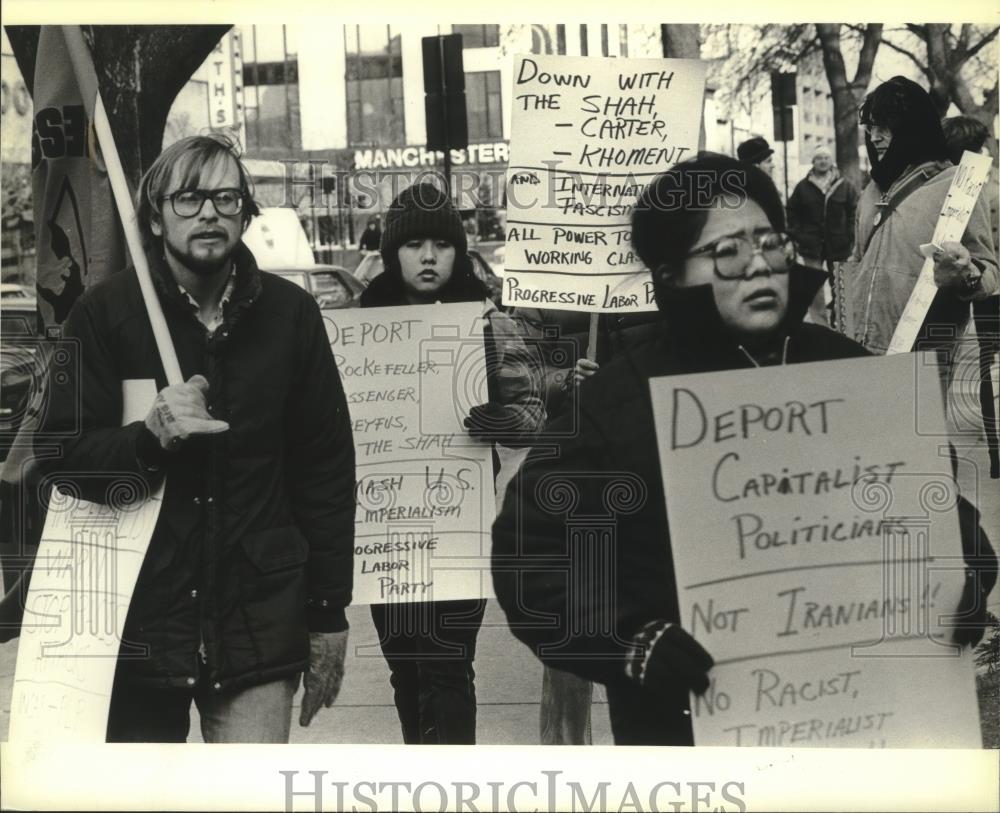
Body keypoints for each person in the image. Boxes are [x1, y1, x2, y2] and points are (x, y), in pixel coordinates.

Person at [492, 153, 997, 745]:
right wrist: (630, 643)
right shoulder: (614, 406)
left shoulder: (851, 376)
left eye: (769, 241)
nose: (758, 263)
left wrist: (962, 578)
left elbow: (948, 519)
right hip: (689, 749)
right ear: (671, 274)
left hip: (863, 738)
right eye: (726, 251)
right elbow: (531, 562)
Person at [37, 134, 356, 743]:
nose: (209, 212)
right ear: (155, 218)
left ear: (245, 213)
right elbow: (59, 454)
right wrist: (147, 440)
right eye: (187, 198)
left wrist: (327, 615)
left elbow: (326, 474)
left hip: (257, 626)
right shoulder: (105, 315)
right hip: (138, 627)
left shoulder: (291, 316)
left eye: (226, 197)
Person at [360, 182, 545, 744]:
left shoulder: (488, 323)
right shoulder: (357, 328)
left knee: (446, 665)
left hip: (458, 527)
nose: (428, 256)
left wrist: (505, 423)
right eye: (414, 243)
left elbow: (533, 406)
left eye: (442, 243)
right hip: (384, 530)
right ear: (393, 252)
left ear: (458, 252)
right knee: (404, 668)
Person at [834, 77, 998, 375]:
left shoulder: (957, 185)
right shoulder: (871, 189)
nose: (874, 137)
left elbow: (989, 272)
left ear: (913, 127)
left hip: (922, 359)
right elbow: (857, 261)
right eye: (870, 128)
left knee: (912, 423)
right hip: (859, 353)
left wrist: (966, 273)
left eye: (885, 126)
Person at [786, 145, 859, 326]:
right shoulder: (802, 187)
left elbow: (855, 212)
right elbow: (792, 212)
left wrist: (850, 235)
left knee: (842, 285)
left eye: (826, 157)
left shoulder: (845, 185)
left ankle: (844, 323)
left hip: (839, 244)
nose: (823, 161)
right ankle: (821, 325)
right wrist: (798, 235)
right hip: (811, 245)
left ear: (831, 161)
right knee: (814, 286)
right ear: (813, 162)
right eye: (819, 158)